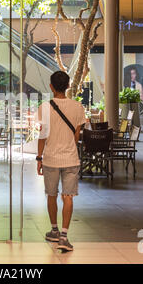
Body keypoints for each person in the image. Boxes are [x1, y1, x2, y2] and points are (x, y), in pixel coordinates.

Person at [36, 71, 86, 252]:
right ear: (68, 86)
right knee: (68, 196)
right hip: (71, 158)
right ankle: (64, 236)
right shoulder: (78, 107)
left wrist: (39, 157)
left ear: (51, 86)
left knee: (52, 195)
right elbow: (76, 135)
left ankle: (54, 230)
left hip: (51, 158)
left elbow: (42, 135)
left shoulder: (45, 107)